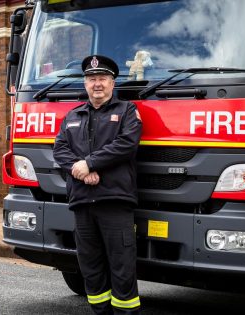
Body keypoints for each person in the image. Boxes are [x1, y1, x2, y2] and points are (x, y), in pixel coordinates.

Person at [53, 55, 143, 315]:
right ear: (85, 84)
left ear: (112, 83)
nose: (97, 84)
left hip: (115, 202)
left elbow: (126, 144)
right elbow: (60, 150)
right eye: (92, 79)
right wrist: (80, 171)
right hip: (82, 203)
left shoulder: (126, 111)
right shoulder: (73, 115)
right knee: (90, 268)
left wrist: (90, 163)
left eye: (102, 79)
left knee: (122, 268)